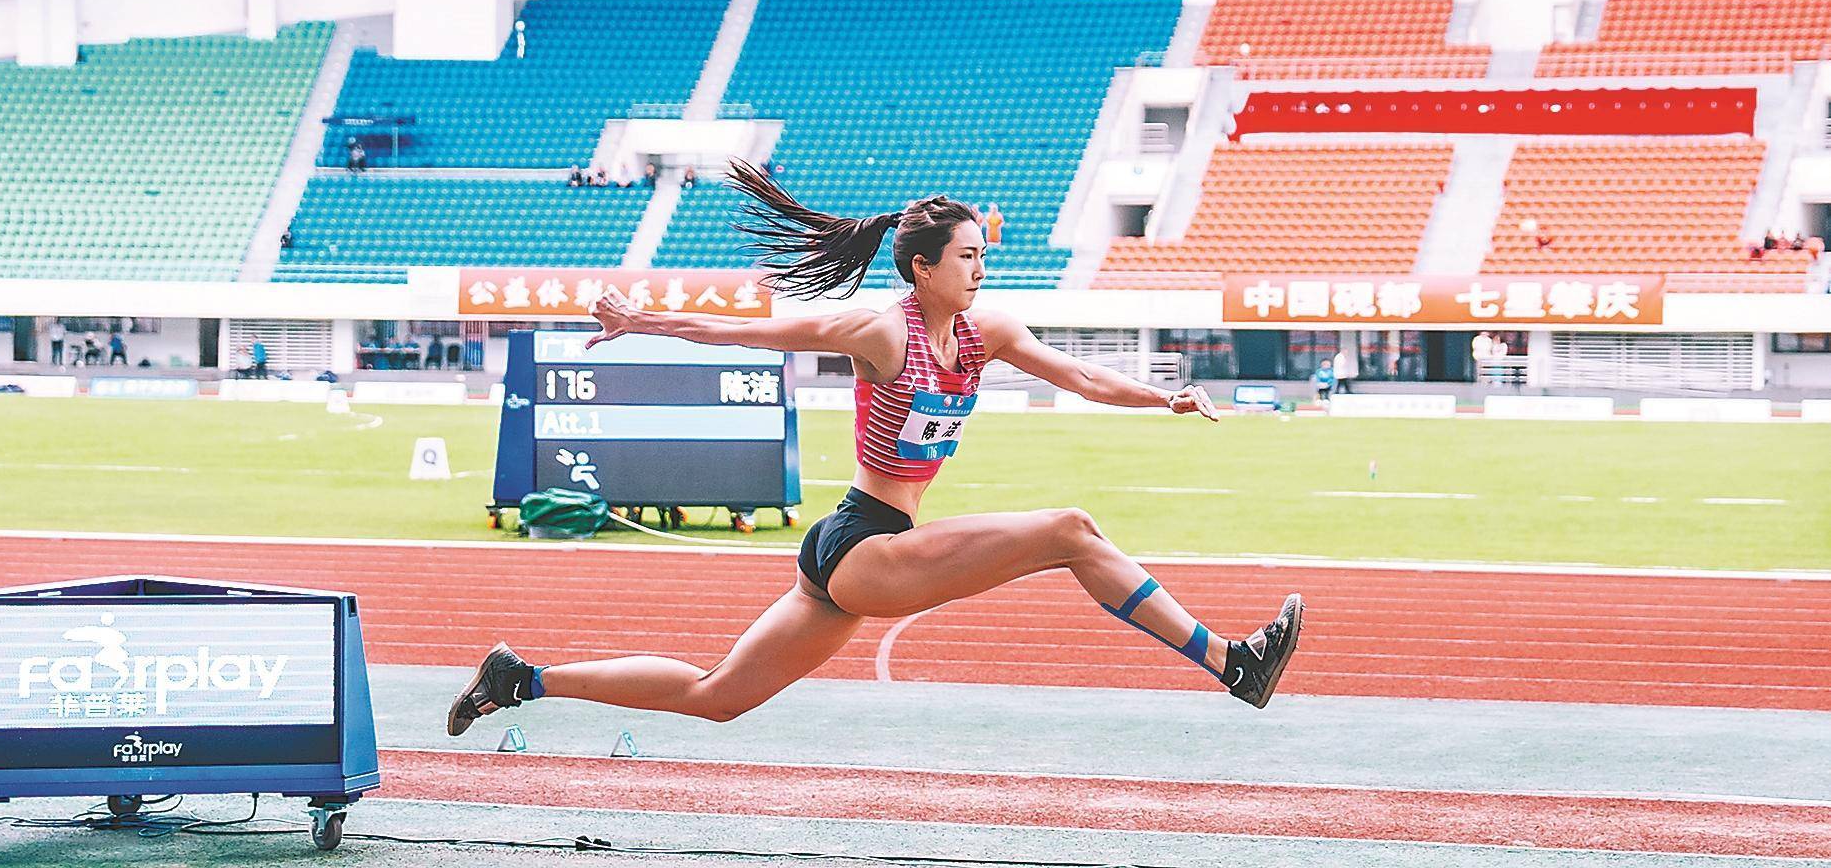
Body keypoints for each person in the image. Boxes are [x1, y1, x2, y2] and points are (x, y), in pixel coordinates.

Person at [447, 160, 1303, 736]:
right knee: (1072, 530)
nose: (980, 270)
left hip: (849, 549)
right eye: (966, 258)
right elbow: (757, 333)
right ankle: (1232, 664)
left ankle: (521, 677)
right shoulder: (878, 331)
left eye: (981, 257)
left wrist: (1166, 397)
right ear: (922, 267)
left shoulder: (988, 328)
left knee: (719, 697)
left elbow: (1079, 375)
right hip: (866, 544)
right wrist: (642, 322)